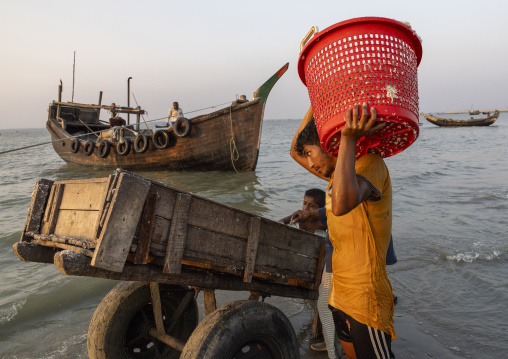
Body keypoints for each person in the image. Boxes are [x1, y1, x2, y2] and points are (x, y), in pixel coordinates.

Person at [290, 103, 395, 359]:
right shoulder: (337, 177)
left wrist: (347, 137)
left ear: (328, 144)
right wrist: (316, 100)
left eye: (310, 152)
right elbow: (294, 152)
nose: (309, 161)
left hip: (366, 298)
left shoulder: (370, 164)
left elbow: (341, 204)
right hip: (341, 296)